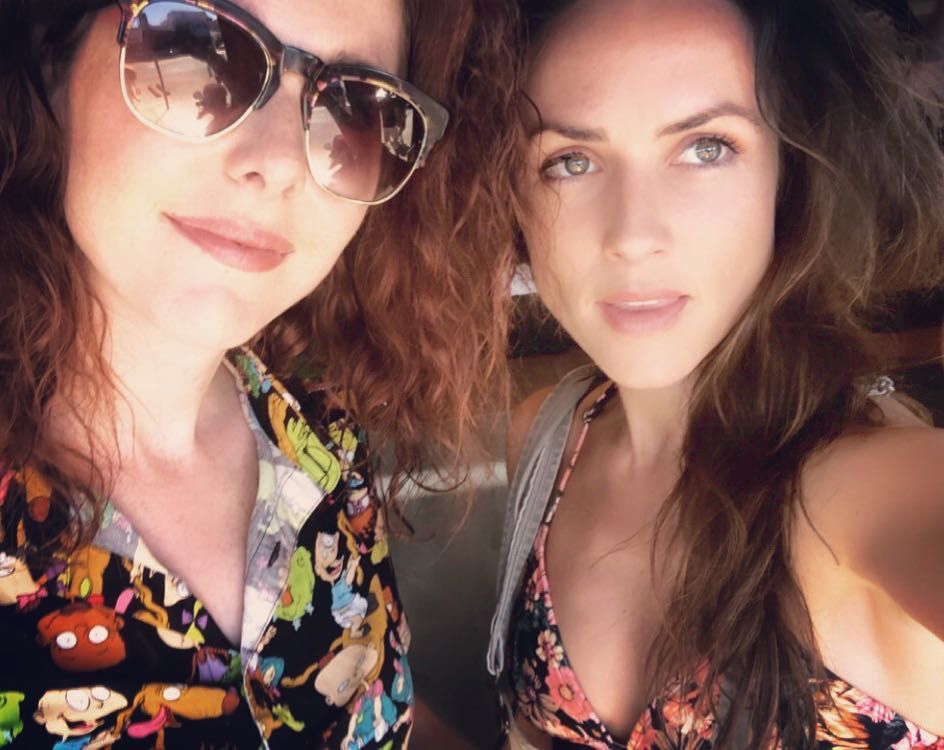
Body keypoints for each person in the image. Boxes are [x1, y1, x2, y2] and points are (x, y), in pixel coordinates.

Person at [0, 0, 519, 747]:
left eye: (356, 108)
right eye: (196, 50)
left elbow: (376, 708)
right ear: (53, 56)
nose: (279, 164)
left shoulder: (324, 441)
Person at [487, 0, 944, 748]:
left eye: (706, 148)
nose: (633, 235)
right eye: (570, 161)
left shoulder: (872, 489)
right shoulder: (544, 439)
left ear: (790, 176)